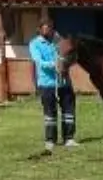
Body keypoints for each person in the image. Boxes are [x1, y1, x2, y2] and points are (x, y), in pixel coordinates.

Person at [28, 18, 77, 152]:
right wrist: (55, 65)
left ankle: (69, 138)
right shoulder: (35, 44)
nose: (48, 30)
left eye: (50, 27)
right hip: (47, 83)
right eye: (45, 27)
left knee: (69, 110)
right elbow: (39, 62)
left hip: (64, 82)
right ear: (40, 29)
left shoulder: (58, 41)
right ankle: (50, 140)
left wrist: (67, 62)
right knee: (50, 112)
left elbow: (68, 55)